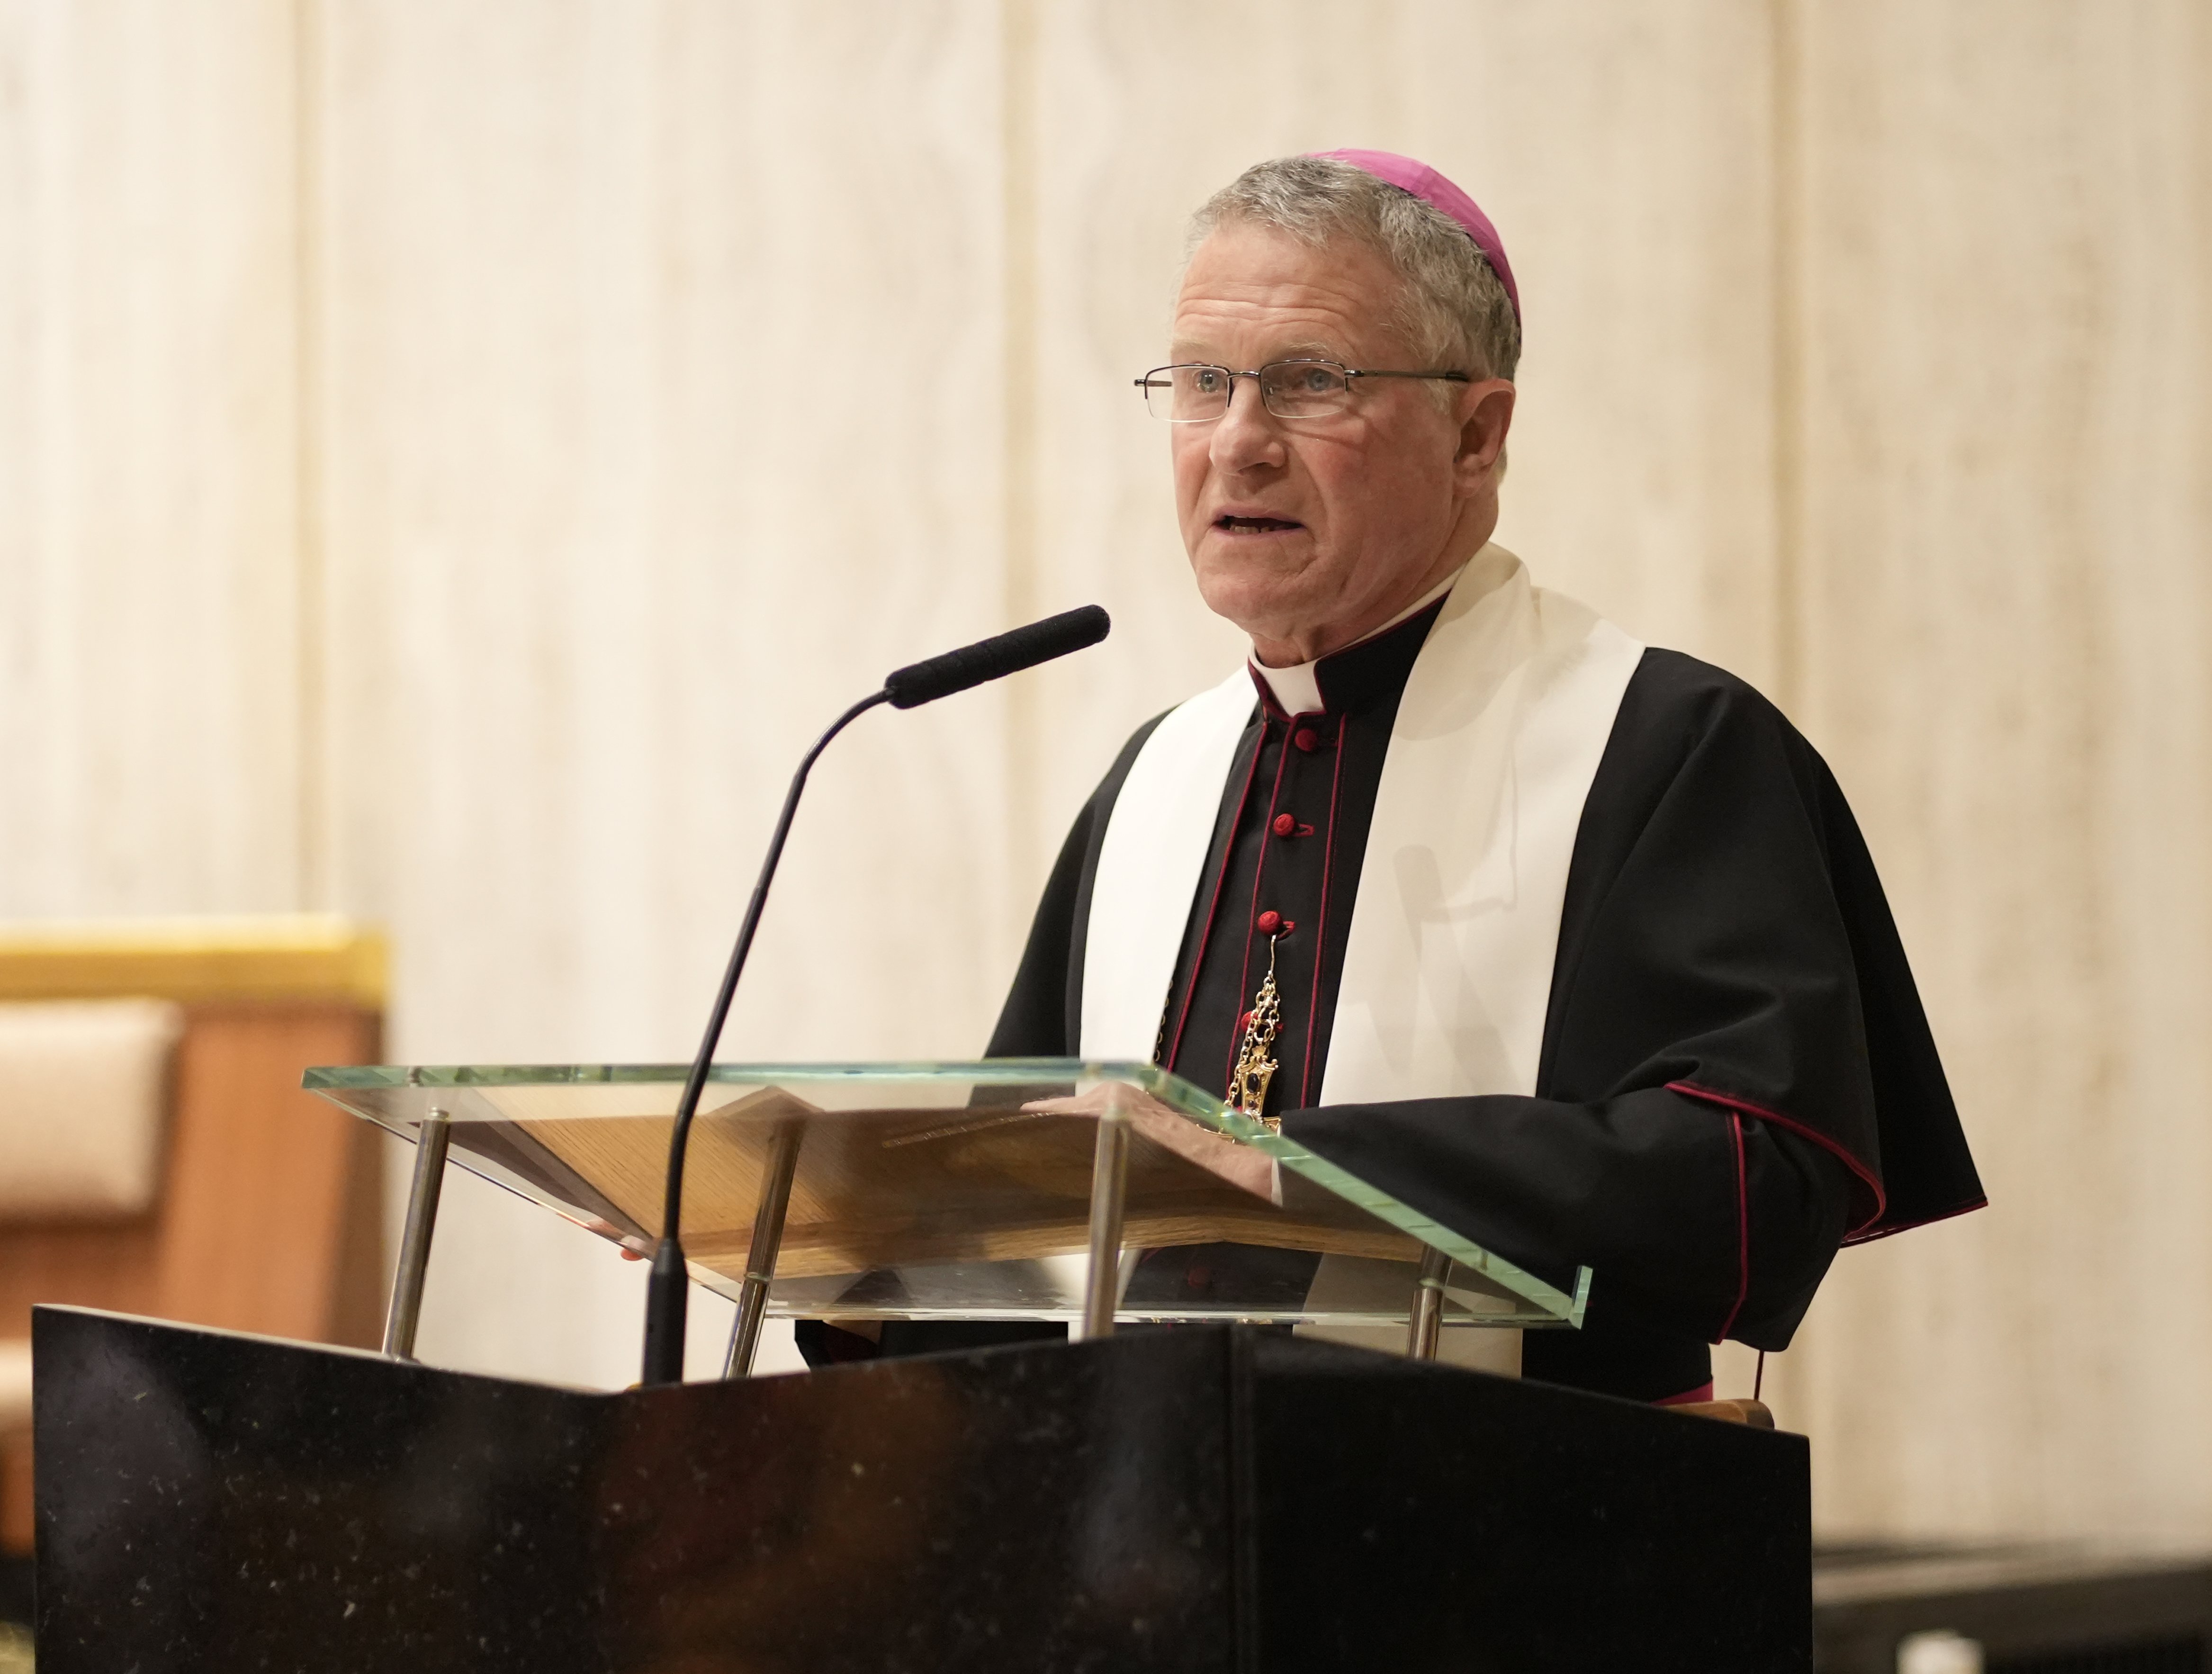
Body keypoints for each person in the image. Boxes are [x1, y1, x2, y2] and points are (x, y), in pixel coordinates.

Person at [809, 151, 1983, 1403]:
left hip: (1526, 1545)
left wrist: (1286, 1171)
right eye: (1204, 384)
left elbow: (1760, 1190)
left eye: (1311, 383)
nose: (1240, 444)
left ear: (1477, 433)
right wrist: (839, 1259)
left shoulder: (1664, 745)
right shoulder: (1155, 782)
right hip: (1147, 1541)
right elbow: (1038, 1235)